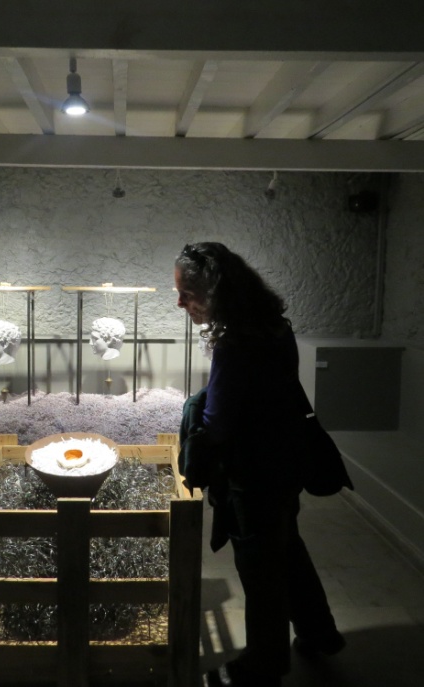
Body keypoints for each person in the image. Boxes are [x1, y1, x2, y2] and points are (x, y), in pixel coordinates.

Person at [174, 242, 345, 687]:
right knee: (287, 550)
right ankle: (320, 633)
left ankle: (264, 665)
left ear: (213, 291)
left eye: (187, 294)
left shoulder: (235, 343)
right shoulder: (274, 327)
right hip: (286, 459)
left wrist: (197, 427)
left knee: (260, 567)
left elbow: (219, 421)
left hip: (252, 472)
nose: (180, 303)